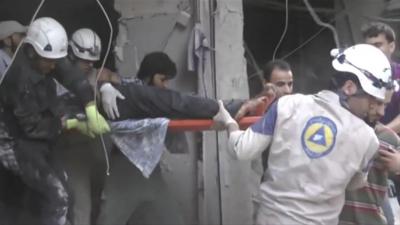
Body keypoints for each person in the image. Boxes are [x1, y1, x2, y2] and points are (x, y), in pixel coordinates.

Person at [213, 44, 395, 225]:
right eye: (372, 101)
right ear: (349, 87)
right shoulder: (369, 140)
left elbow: (242, 149)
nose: (376, 111)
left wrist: (230, 123)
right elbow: (354, 184)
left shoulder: (286, 105)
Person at [0, 17, 109, 225]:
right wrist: (69, 123)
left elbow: (71, 75)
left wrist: (90, 106)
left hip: (39, 134)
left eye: (55, 60)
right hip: (13, 142)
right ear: (32, 52)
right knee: (57, 197)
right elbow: (32, 127)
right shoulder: (18, 81)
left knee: (68, 194)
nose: (53, 66)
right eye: (49, 61)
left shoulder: (46, 57)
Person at [362, 21, 400, 223]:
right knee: (382, 215)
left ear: (391, 46)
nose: (373, 51)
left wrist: (380, 133)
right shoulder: (361, 77)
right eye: (369, 46)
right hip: (372, 155)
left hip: (396, 152)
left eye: (378, 45)